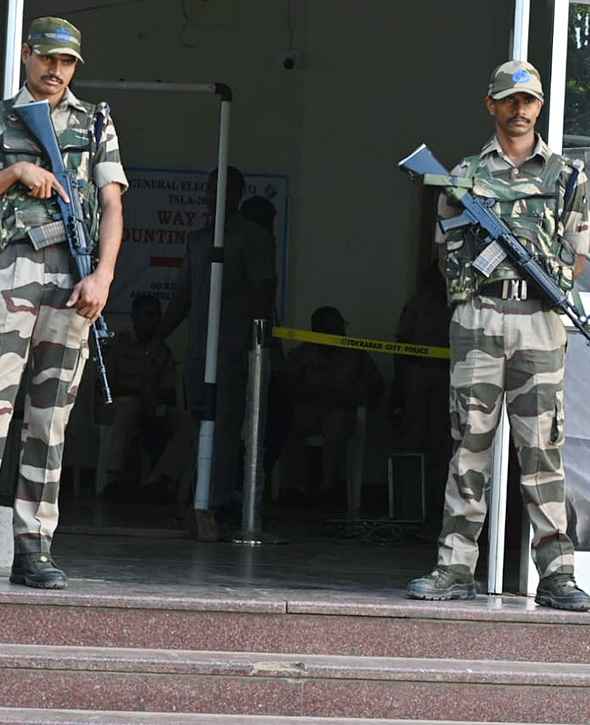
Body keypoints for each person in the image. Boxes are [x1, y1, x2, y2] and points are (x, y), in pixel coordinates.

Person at [0, 16, 127, 590]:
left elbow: (112, 206)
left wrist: (104, 276)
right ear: (25, 54)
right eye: (47, 59)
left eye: (66, 64)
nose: (54, 71)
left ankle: (34, 549)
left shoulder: (95, 122)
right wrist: (14, 171)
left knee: (50, 422)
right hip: (13, 276)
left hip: (74, 281)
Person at [407, 60, 590, 612]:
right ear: (491, 105)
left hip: (539, 320)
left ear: (540, 107)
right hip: (480, 317)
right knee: (469, 444)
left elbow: (576, 260)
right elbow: (444, 254)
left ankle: (557, 576)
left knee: (542, 450)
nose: (520, 110)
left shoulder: (567, 178)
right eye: (509, 101)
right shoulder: (461, 175)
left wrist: (530, 268)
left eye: (529, 101)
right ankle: (454, 567)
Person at [157, 166, 276, 524]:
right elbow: (183, 295)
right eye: (209, 190)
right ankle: (197, 496)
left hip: (235, 350)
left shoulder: (253, 238)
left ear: (236, 194)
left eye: (222, 190)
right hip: (198, 351)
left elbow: (262, 294)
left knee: (224, 429)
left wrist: (256, 348)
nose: (213, 196)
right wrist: (157, 337)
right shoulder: (198, 239)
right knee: (197, 424)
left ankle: (218, 503)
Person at [281, 306, 383, 505]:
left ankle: (327, 489)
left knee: (336, 425)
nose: (338, 330)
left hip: (340, 409)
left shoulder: (354, 353)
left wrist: (370, 400)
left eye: (339, 325)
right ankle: (294, 488)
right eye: (331, 326)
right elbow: (287, 383)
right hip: (307, 408)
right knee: (286, 427)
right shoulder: (302, 353)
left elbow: (376, 382)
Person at [98, 293, 192, 499]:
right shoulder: (120, 344)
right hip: (117, 405)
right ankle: (114, 478)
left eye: (157, 316)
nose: (153, 321)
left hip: (151, 406)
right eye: (147, 315)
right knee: (131, 406)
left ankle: (159, 480)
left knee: (184, 420)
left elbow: (169, 391)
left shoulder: (162, 352)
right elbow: (106, 385)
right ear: (134, 317)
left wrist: (154, 399)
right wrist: (139, 395)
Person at [389, 264, 451, 518]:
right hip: (417, 374)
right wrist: (398, 388)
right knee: (413, 439)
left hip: (447, 375)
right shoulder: (416, 307)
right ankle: (409, 504)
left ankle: (439, 505)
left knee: (443, 442)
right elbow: (402, 346)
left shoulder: (457, 305)